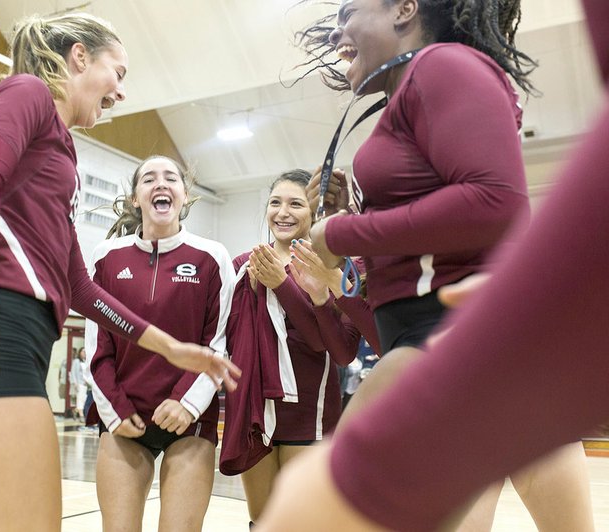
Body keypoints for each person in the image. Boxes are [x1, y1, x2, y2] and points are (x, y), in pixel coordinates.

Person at [257, 0, 609, 522]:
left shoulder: (441, 64)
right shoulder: (422, 85)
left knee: (305, 513)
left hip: (452, 335)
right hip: (449, 336)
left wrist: (343, 230)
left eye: (348, 12)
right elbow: (418, 269)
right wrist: (352, 228)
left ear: (405, 8)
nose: (336, 34)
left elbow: (496, 202)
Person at [0, 13, 240, 532]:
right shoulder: (28, 92)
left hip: (19, 338)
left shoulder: (62, 149)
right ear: (79, 57)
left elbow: (79, 286)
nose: (121, 92)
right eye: (118, 72)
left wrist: (167, 347)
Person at [219, 169, 377, 527]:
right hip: (256, 412)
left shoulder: (338, 266)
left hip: (312, 414)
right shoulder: (243, 266)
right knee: (262, 521)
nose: (283, 212)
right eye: (275, 203)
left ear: (314, 213)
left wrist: (282, 286)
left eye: (295, 204)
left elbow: (339, 351)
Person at [87, 155, 235, 532]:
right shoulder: (106, 257)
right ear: (136, 198)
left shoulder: (212, 257)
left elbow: (216, 343)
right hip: (125, 420)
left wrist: (187, 403)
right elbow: (97, 348)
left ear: (184, 195)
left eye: (171, 178)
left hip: (188, 421)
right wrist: (115, 411)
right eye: (148, 179)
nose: (161, 184)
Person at [71, 346, 87, 420]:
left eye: (85, 351)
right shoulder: (76, 361)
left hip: (86, 384)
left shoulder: (85, 362)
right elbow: (73, 372)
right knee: (80, 399)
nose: (84, 353)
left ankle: (75, 410)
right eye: (83, 351)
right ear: (80, 352)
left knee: (83, 400)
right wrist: (75, 383)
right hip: (79, 383)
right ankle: (81, 416)